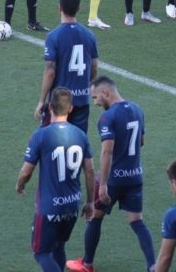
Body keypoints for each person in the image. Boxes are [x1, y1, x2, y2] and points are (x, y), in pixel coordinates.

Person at [66, 76, 156, 272]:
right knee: (137, 220)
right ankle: (153, 266)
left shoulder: (108, 117)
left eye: (97, 97)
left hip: (114, 179)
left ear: (106, 93)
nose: (96, 102)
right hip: (135, 175)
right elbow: (141, 141)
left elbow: (107, 151)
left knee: (95, 216)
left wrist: (104, 184)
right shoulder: (137, 110)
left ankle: (87, 263)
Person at [17, 87, 95, 272]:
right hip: (73, 205)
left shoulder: (41, 135)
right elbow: (90, 171)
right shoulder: (80, 135)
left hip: (50, 207)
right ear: (71, 109)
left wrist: (20, 184)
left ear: (49, 106)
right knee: (59, 245)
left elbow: (26, 172)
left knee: (41, 252)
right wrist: (90, 202)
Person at [36, 0, 98, 133]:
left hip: (60, 101)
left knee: (54, 141)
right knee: (78, 141)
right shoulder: (90, 35)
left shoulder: (53, 36)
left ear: (60, 8)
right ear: (78, 9)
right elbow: (94, 68)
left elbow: (50, 71)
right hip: (82, 99)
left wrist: (41, 100)